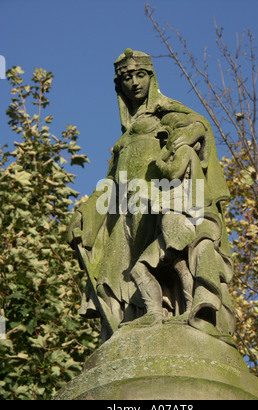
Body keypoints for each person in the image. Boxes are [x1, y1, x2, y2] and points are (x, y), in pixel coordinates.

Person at [68, 49, 236, 345]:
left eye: (140, 75)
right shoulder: (124, 138)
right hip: (126, 209)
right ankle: (137, 326)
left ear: (151, 77)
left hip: (158, 199)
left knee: (176, 255)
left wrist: (185, 139)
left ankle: (190, 314)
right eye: (126, 78)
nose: (133, 83)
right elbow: (110, 184)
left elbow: (197, 126)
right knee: (117, 274)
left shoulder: (165, 114)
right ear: (118, 86)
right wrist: (85, 213)